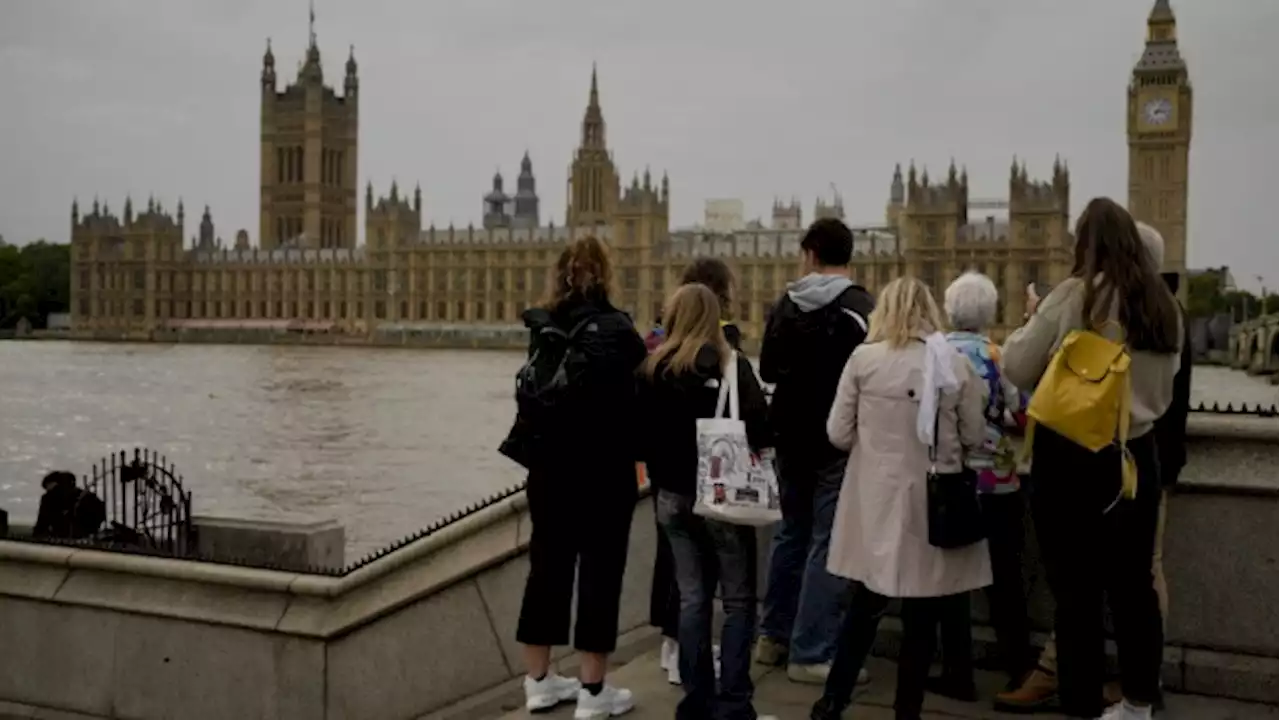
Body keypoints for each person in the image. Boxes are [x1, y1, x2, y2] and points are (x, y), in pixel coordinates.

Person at [994, 220, 1192, 715]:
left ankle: (1080, 705)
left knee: (1076, 595)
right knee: (1134, 588)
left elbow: (1017, 365)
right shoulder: (1166, 306)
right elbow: (1163, 393)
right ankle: (1138, 704)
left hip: (1074, 458)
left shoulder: (1076, 296)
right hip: (1136, 458)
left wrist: (1038, 320)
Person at [810, 277, 989, 720]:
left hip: (876, 503)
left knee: (862, 609)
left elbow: (836, 433)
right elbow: (974, 435)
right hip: (933, 503)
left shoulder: (863, 359)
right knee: (921, 619)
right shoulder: (952, 364)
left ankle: (832, 702)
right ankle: (906, 711)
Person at [503, 236, 647, 718]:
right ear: (606, 275)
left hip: (548, 471)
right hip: (604, 471)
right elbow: (636, 404)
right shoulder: (620, 329)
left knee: (546, 570)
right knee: (600, 574)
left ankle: (539, 682)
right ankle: (592, 691)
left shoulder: (543, 327)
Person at [639, 282, 774, 720]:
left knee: (692, 599)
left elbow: (637, 439)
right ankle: (734, 702)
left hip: (672, 499)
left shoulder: (652, 369)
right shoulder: (733, 367)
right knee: (737, 602)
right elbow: (762, 430)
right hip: (722, 497)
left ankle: (695, 701)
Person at [756, 218, 875, 686]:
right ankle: (810, 652)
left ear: (809, 253)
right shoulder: (861, 306)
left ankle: (774, 637)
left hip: (788, 435)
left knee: (790, 534)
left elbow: (766, 367)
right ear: (849, 255)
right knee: (828, 541)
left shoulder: (786, 303)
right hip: (835, 439)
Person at [932, 272, 1034, 700]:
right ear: (989, 312)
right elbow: (1028, 415)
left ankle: (958, 673)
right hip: (999, 479)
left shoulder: (934, 355)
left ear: (948, 309)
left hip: (951, 481)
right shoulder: (999, 355)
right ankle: (1020, 669)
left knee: (950, 582)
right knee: (1006, 579)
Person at [650, 257, 740, 685]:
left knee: (685, 586)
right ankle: (718, 681)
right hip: (711, 486)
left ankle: (683, 664)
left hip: (667, 485)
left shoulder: (654, 359)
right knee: (729, 593)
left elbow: (639, 431)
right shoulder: (723, 358)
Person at [33, 471, 104, 540]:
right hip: (86, 535)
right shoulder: (87, 495)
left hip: (62, 535)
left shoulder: (49, 498)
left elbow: (42, 522)